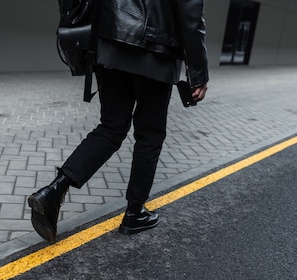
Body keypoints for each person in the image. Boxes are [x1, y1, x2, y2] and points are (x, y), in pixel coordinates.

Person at [29, 0, 209, 243]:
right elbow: (190, 16)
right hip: (157, 49)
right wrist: (198, 72)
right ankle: (134, 213)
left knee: (111, 128)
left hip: (110, 40)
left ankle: (53, 190)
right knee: (149, 135)